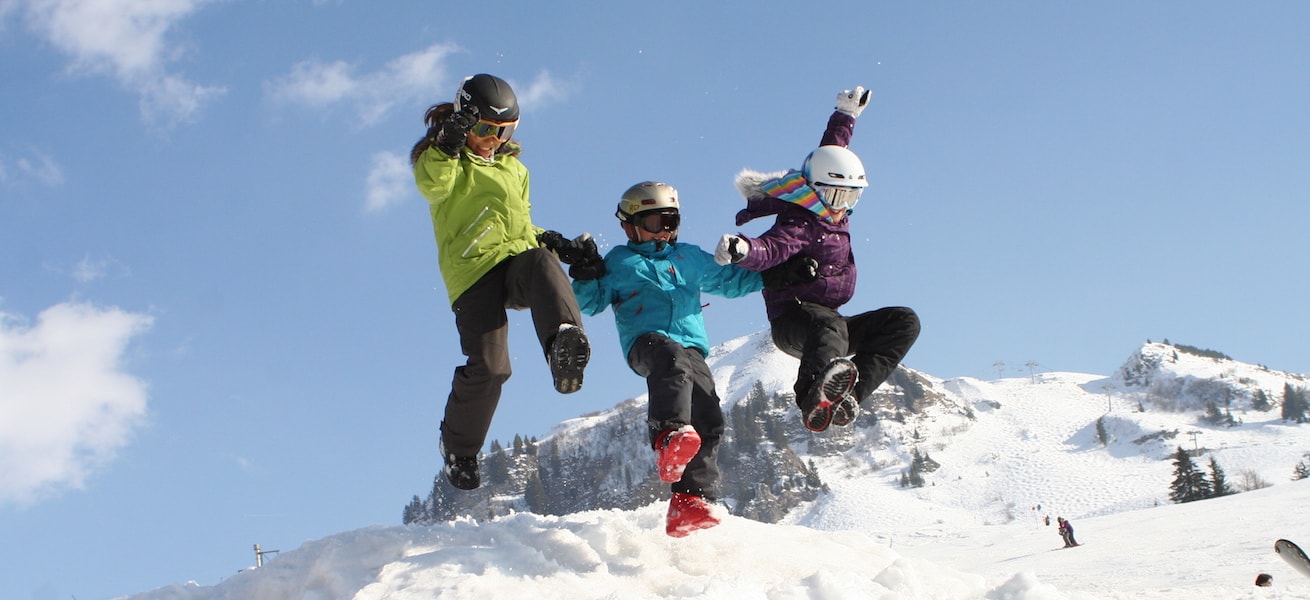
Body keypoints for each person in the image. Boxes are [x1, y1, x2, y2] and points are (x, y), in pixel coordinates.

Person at [541, 181, 763, 537]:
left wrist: (776, 271)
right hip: (646, 343)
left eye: (672, 222)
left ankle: (690, 501)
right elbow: (591, 302)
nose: (667, 231)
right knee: (671, 361)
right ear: (630, 225)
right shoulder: (620, 261)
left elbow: (733, 281)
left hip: (691, 348)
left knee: (709, 414)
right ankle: (668, 434)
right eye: (657, 222)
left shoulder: (688, 257)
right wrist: (585, 272)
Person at [411, 73, 592, 491]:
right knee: (491, 369)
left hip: (511, 261)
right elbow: (431, 186)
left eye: (502, 131)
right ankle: (458, 447)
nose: (491, 139)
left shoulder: (515, 169)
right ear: (463, 120)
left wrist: (556, 242)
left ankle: (563, 342)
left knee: (543, 262)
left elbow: (522, 225)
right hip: (473, 274)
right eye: (482, 129)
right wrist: (448, 144)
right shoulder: (443, 162)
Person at [713, 86, 921, 432]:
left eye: (850, 195)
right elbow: (773, 248)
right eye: (833, 194)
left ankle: (849, 394)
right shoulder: (802, 220)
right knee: (830, 326)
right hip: (794, 323)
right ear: (814, 190)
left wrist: (846, 114)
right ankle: (812, 396)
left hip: (830, 330)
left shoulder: (835, 212)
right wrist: (744, 250)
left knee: (903, 321)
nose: (840, 204)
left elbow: (833, 151)